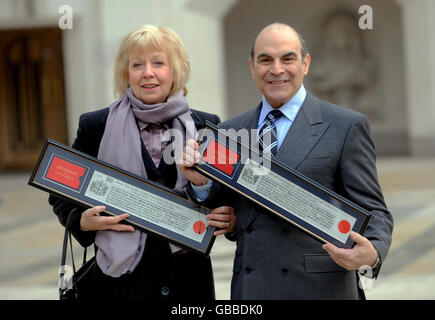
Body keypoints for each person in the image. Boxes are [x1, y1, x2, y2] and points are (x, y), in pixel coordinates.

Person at [179, 22, 394, 299]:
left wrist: (373, 251)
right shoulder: (229, 132)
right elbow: (227, 211)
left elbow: (374, 209)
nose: (276, 69)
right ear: (252, 66)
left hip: (320, 288)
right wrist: (201, 184)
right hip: (252, 289)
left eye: (287, 58)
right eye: (265, 60)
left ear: (305, 63)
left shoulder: (346, 126)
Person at [48, 25, 235, 301]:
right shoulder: (95, 125)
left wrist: (225, 214)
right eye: (137, 64)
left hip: (187, 280)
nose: (148, 72)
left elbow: (225, 196)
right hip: (120, 283)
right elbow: (60, 192)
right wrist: (82, 221)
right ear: (126, 73)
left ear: (175, 70)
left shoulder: (206, 126)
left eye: (159, 63)